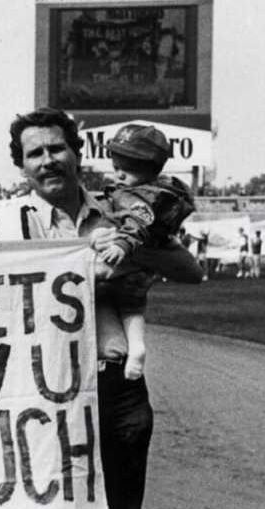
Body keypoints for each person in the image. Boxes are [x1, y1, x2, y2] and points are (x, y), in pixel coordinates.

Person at [0, 107, 202, 509]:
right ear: (22, 165)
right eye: (34, 153)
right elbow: (21, 286)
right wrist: (102, 265)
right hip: (49, 387)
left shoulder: (114, 206)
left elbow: (189, 267)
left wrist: (129, 250)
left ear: (76, 152)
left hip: (114, 387)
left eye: (56, 149)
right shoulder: (17, 218)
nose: (47, 161)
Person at [98, 123, 197, 380]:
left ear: (149, 170)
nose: (118, 175)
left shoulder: (143, 198)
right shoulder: (156, 191)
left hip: (132, 260)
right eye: (116, 168)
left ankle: (137, 348)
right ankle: (136, 347)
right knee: (132, 307)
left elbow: (138, 224)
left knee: (128, 306)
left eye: (127, 170)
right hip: (144, 261)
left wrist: (122, 245)